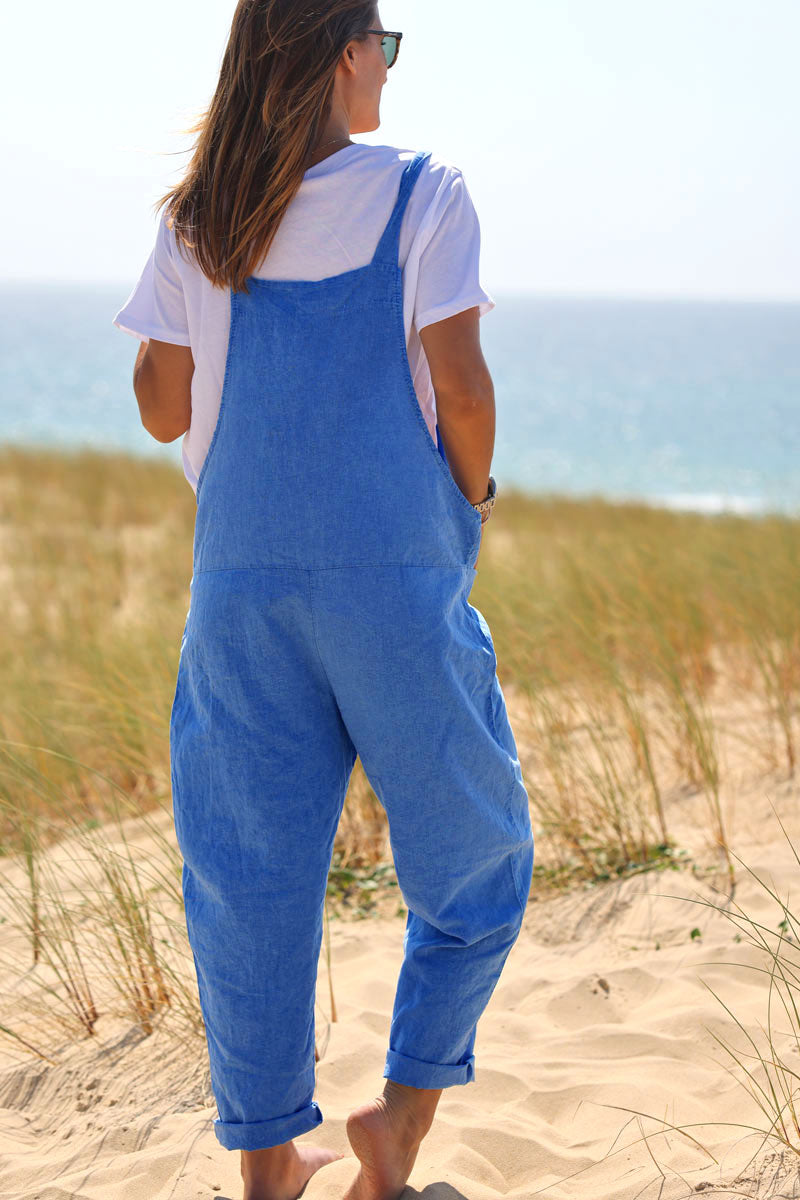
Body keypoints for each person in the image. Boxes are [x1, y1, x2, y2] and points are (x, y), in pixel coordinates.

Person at [112, 3, 534, 1198]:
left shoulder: (202, 213)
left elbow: (156, 403)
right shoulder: (424, 193)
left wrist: (194, 295)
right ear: (344, 52)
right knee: (476, 855)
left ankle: (265, 1175)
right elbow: (459, 384)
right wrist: (470, 504)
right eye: (383, 45)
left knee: (246, 879)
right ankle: (396, 1123)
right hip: (393, 582)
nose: (387, 71)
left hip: (241, 594)